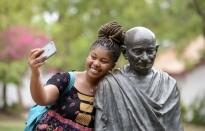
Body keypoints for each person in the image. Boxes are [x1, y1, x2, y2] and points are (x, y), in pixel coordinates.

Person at [27, 21, 124, 130]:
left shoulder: (110, 93)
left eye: (104, 61)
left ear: (112, 66)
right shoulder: (66, 79)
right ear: (88, 55)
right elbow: (42, 98)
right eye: (93, 57)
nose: (96, 63)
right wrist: (35, 73)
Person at [95, 27, 184, 131]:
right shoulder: (110, 84)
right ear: (124, 52)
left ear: (156, 50)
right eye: (138, 51)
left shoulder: (168, 84)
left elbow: (175, 127)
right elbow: (100, 126)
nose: (145, 58)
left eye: (150, 51)